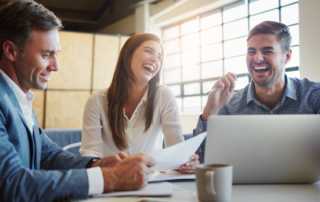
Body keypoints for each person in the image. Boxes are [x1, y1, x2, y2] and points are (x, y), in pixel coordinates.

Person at [0, 1, 156, 202]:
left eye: (56, 54)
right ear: (11, 51)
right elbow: (11, 184)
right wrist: (111, 178)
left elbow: (49, 156)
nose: (55, 66)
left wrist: (96, 165)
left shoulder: (20, 99)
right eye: (46, 54)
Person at [194, 21, 320, 163]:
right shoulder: (230, 106)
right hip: (246, 185)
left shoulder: (314, 95)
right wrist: (210, 111)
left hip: (307, 185)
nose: (257, 58)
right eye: (251, 51)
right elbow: (203, 161)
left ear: (287, 56)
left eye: (267, 51)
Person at [79, 33, 199, 174]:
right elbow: (90, 156)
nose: (155, 59)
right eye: (148, 51)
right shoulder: (96, 102)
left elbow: (177, 151)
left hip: (151, 182)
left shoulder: (164, 96)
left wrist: (186, 162)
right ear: (128, 56)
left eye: (160, 57)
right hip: (111, 182)